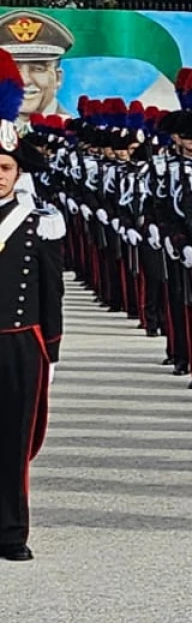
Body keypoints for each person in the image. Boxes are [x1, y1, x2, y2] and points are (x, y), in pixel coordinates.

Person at [0, 51, 65, 562]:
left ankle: (10, 532)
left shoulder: (38, 220)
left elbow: (51, 289)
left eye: (5, 167)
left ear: (18, 171)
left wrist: (53, 350)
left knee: (13, 442)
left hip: (21, 342)